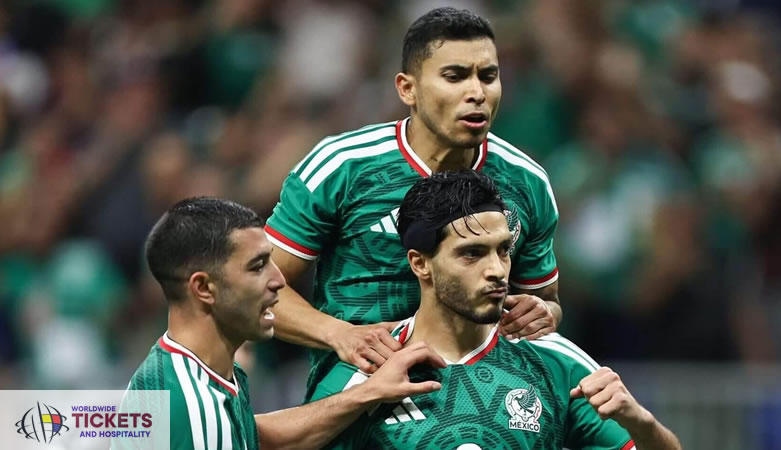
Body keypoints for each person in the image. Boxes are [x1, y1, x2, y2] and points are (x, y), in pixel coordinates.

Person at [265, 6, 561, 399]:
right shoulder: (342, 167)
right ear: (408, 89)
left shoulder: (527, 182)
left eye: (488, 76)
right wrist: (340, 334)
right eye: (455, 76)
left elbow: (546, 302)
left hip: (479, 400)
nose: (477, 92)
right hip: (358, 392)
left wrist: (542, 313)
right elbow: (257, 287)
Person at [309, 170, 681, 450]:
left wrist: (640, 421)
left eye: (502, 250)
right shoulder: (369, 371)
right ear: (420, 263)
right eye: (472, 253)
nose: (497, 270)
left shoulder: (555, 361)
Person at [122, 197, 446, 450]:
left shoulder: (189, 371)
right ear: (204, 288)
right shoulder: (196, 408)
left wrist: (367, 393)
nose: (279, 280)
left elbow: (255, 435)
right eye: (257, 266)